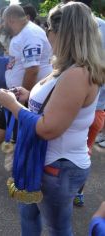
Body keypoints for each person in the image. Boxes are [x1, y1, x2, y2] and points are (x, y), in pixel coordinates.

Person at [0, 2, 105, 235]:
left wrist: (13, 105)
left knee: (58, 229)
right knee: (28, 214)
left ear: (63, 33)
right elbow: (52, 104)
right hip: (46, 161)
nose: (47, 34)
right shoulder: (67, 68)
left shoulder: (77, 74)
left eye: (49, 29)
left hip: (59, 167)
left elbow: (48, 129)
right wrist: (27, 96)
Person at [0, 4, 53, 162]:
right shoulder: (22, 33)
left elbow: (33, 69)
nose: (2, 25)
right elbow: (18, 61)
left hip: (27, 94)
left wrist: (23, 96)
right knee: (3, 123)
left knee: (12, 126)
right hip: (19, 92)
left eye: (4, 21)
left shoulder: (30, 35)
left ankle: (16, 164)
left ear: (11, 19)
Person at [60, 0, 105, 208]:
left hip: (72, 103)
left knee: (62, 150)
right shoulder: (101, 26)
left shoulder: (70, 26)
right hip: (98, 107)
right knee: (83, 150)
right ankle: (77, 192)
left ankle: (61, 194)